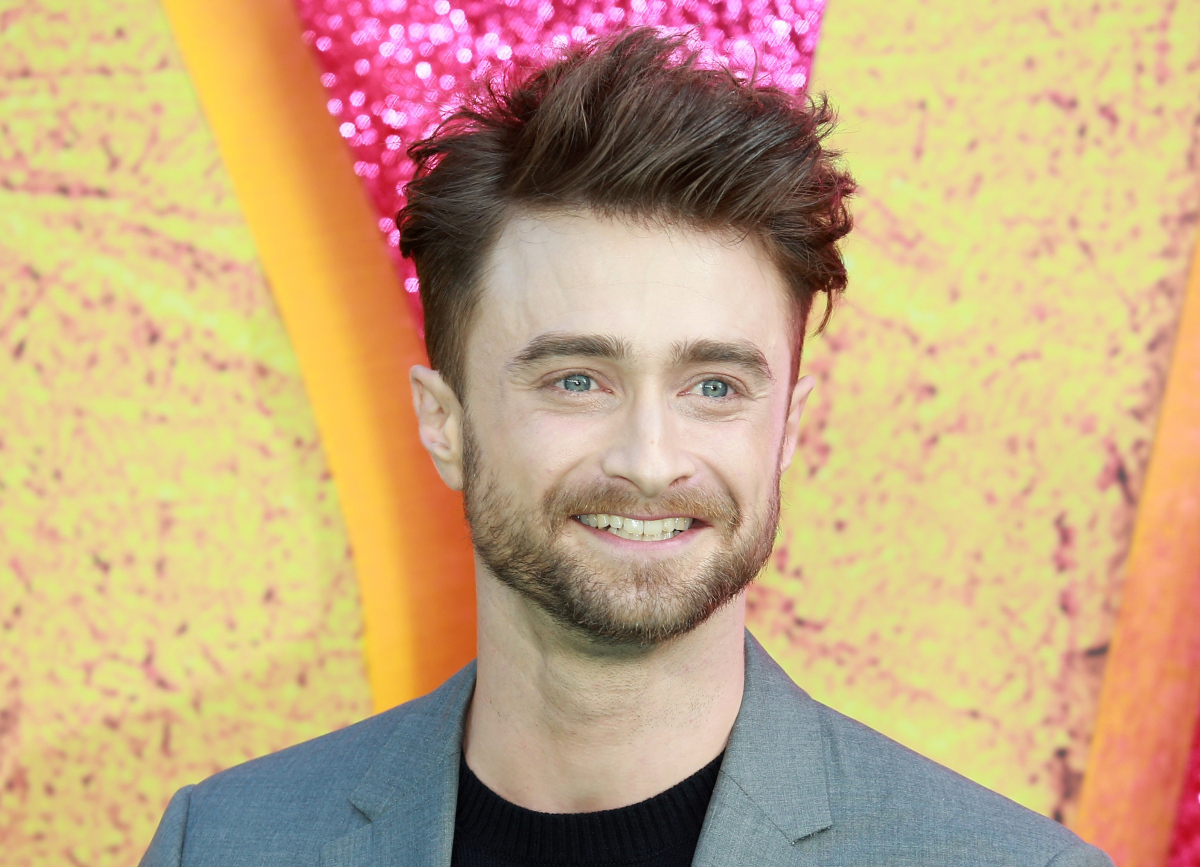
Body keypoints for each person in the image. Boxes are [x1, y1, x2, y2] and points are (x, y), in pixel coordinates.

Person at [141, 28, 1113, 867]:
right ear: (444, 423)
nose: (650, 461)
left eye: (714, 387)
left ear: (786, 429)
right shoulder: (221, 842)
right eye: (577, 380)